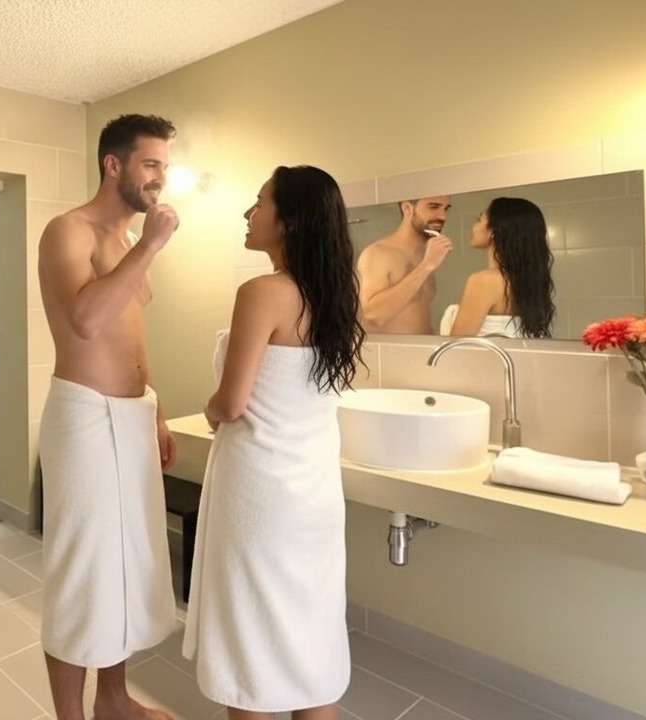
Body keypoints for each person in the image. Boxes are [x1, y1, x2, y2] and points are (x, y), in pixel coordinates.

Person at [183, 165, 366, 720]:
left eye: (259, 202)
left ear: (289, 222)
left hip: (260, 495)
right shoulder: (335, 298)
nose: (248, 212)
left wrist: (213, 412)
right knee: (310, 643)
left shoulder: (263, 292)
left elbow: (231, 402)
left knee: (255, 650)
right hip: (312, 494)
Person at [36, 113, 181, 720]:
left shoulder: (123, 244)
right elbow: (86, 323)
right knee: (82, 571)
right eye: (151, 164)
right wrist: (151, 244)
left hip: (132, 416)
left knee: (124, 563)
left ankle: (114, 701)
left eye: (165, 168)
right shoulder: (69, 230)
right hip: (85, 418)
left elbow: (129, 335)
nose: (160, 179)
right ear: (113, 164)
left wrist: (157, 408)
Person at [440, 197, 555, 338]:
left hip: (480, 360)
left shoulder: (484, 281)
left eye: (479, 219)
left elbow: (457, 345)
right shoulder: (527, 282)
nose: (473, 227)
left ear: (494, 231)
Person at [356, 196, 454, 334]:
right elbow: (373, 316)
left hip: (421, 352)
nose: (442, 216)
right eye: (433, 207)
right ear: (407, 208)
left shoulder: (427, 254)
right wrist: (426, 266)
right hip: (388, 353)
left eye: (446, 209)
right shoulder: (377, 253)